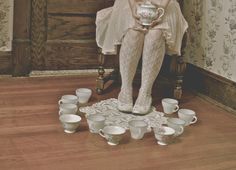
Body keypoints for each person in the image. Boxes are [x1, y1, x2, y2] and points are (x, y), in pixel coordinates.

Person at [95, 0, 188, 115]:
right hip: (130, 2)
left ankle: (145, 92)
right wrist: (133, 5)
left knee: (156, 35)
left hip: (165, 4)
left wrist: (161, 8)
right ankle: (125, 89)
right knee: (134, 33)